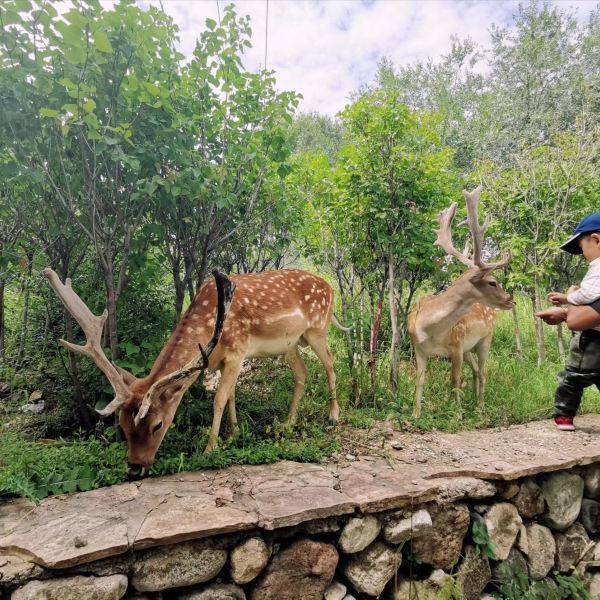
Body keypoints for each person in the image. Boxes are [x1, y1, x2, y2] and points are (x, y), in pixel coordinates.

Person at [536, 212, 600, 431]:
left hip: (593, 339)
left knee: (574, 375)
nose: (583, 255)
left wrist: (569, 296)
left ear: (597, 240)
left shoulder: (598, 268)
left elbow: (579, 311)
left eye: (582, 248)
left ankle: (564, 415)